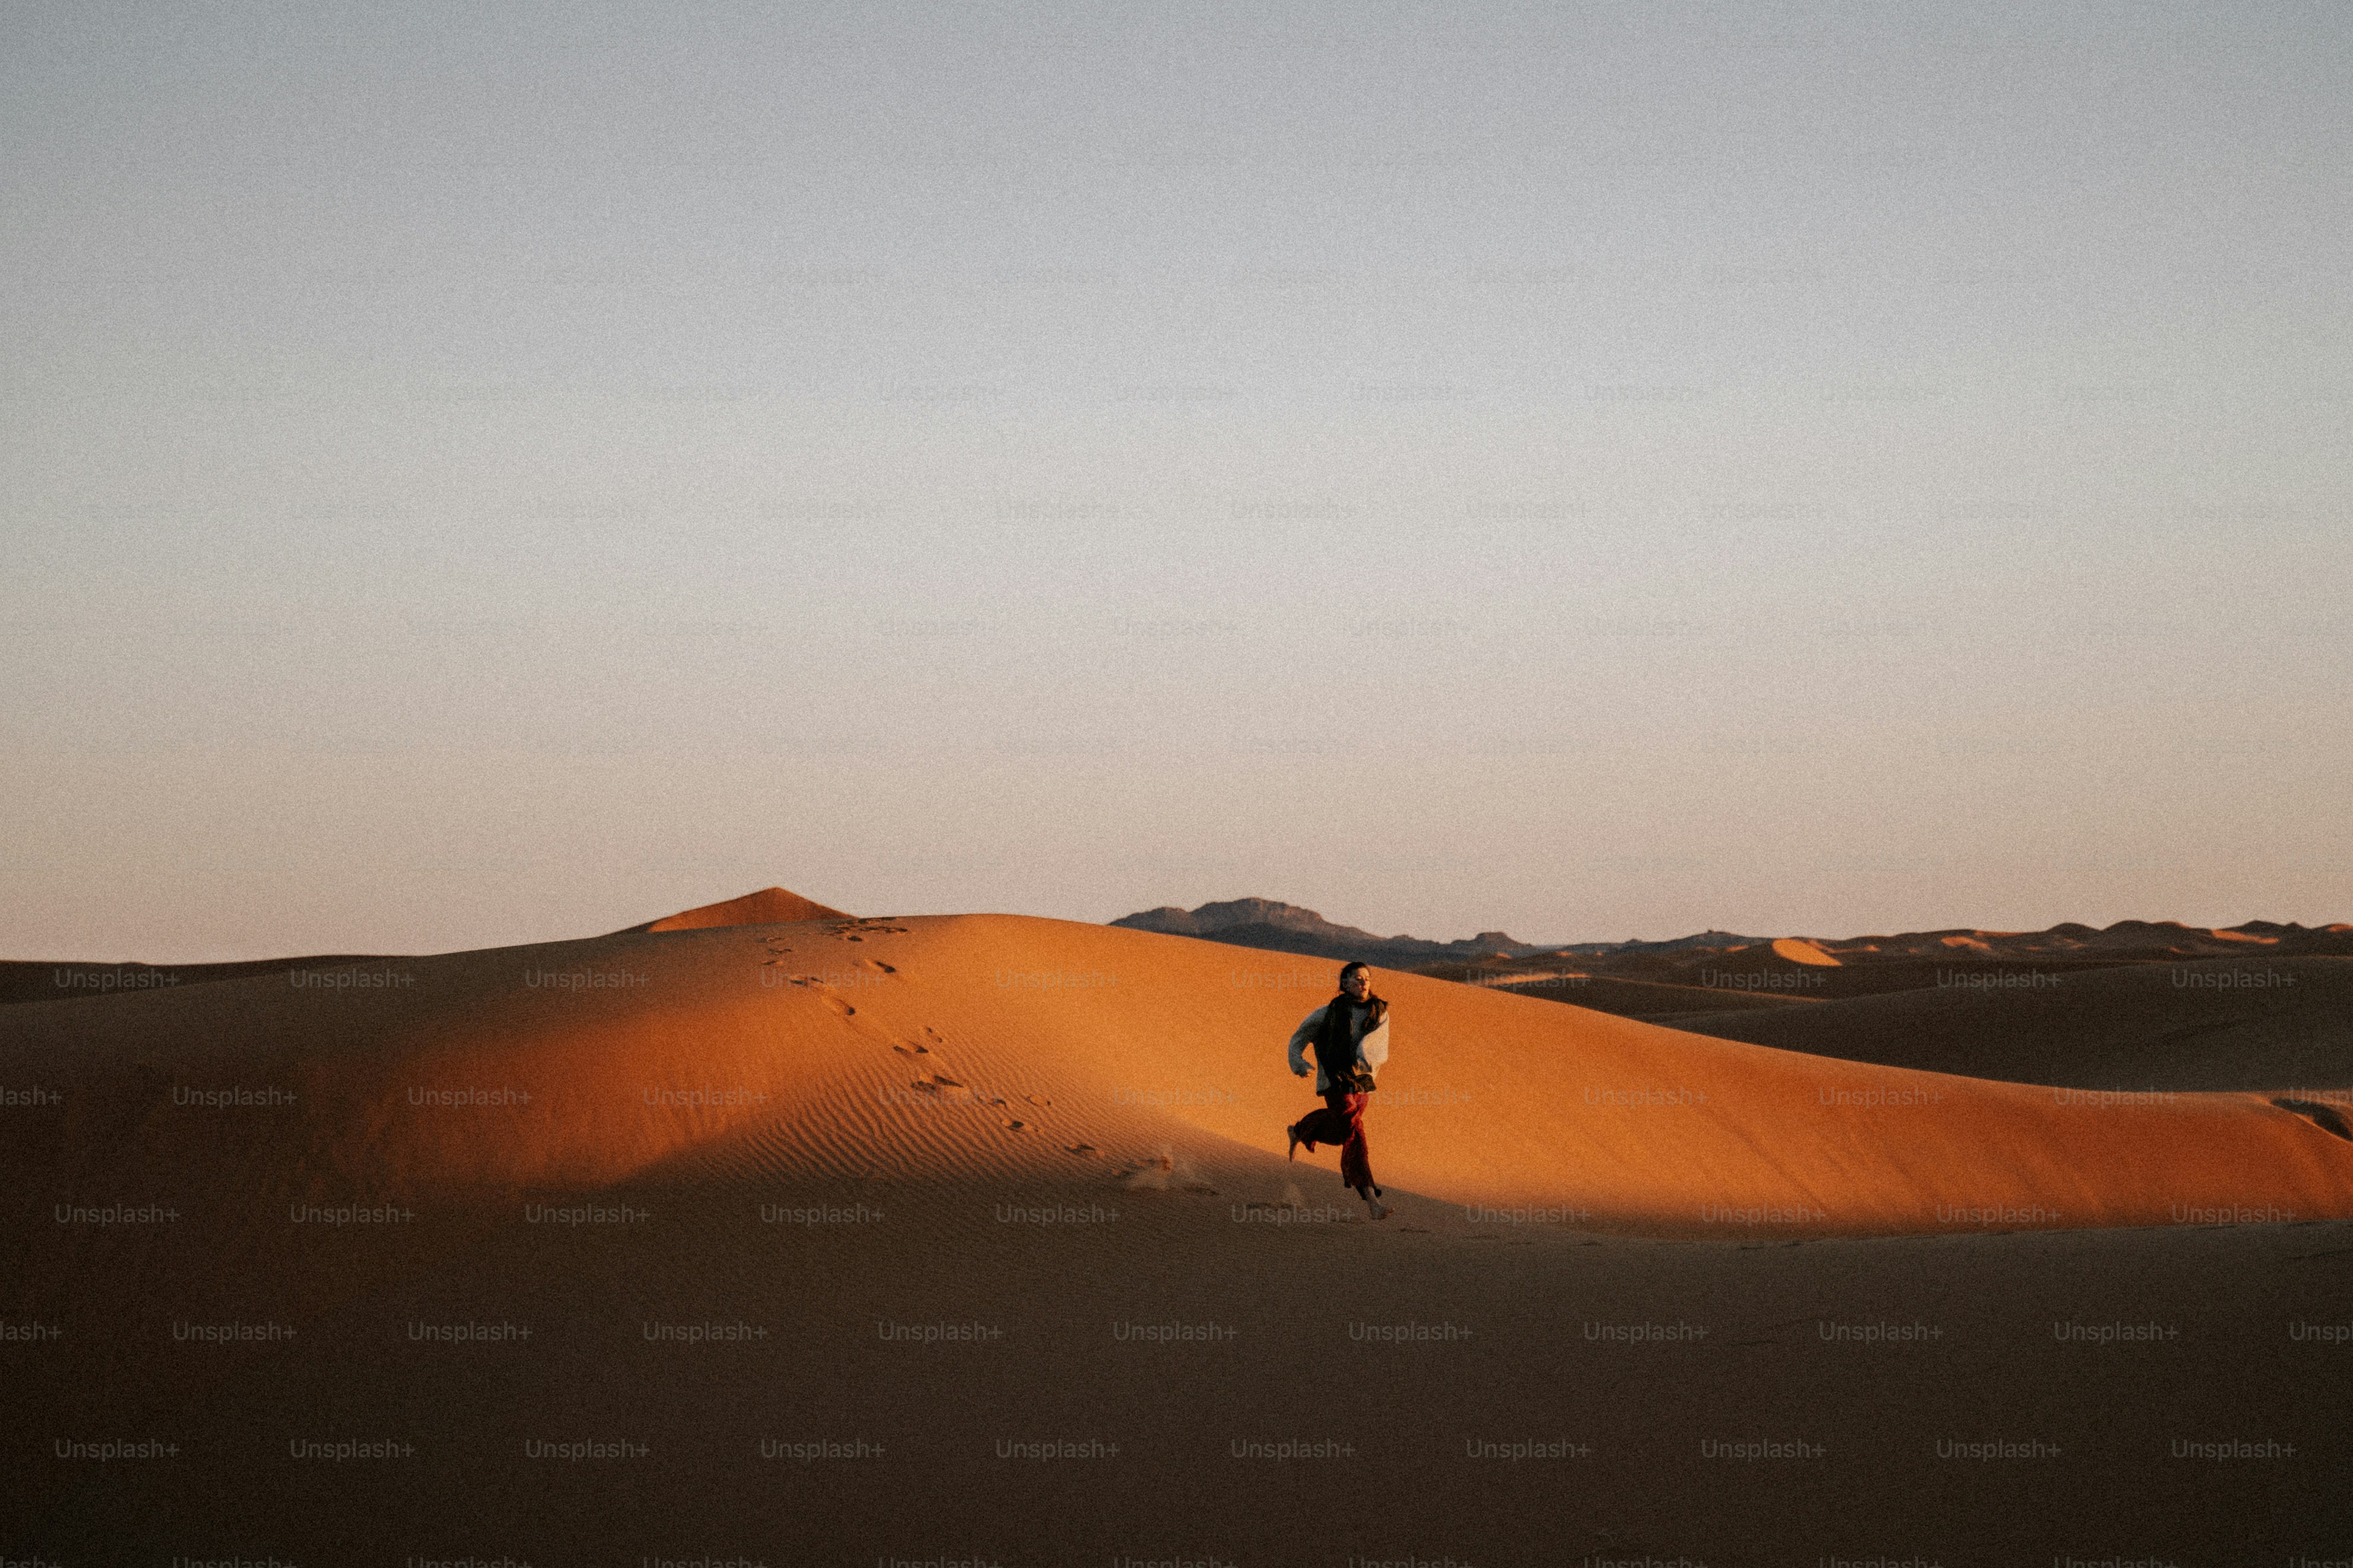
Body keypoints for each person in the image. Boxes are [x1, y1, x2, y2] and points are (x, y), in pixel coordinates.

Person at [1285, 961, 1392, 1221]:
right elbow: (1298, 1039)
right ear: (1344, 984)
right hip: (1334, 1080)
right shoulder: (1326, 1014)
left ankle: (1300, 1130)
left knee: (1344, 1132)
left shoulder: (1379, 1012)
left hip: (1362, 1083)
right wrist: (1299, 1063)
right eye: (1356, 978)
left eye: (1367, 978)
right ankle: (1372, 1202)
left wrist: (1363, 1058)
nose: (1363, 982)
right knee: (1354, 1131)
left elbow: (1377, 1045)